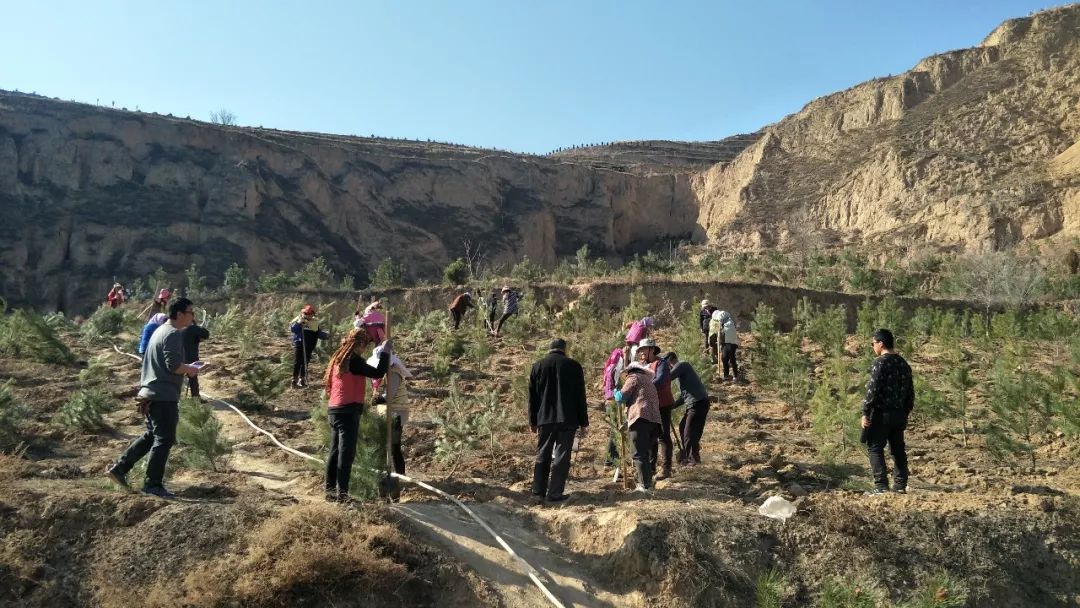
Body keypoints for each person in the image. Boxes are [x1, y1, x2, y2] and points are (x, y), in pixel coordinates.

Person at [106, 298, 204, 498]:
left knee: (152, 435)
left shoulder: (159, 331)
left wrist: (189, 367)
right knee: (164, 439)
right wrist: (192, 369)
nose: (193, 317)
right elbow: (174, 366)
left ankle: (119, 469)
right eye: (191, 312)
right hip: (162, 396)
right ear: (179, 314)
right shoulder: (174, 334)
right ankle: (152, 484)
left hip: (151, 393)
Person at [323, 329, 391, 502]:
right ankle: (342, 496)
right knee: (346, 454)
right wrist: (385, 353)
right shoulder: (352, 360)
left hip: (334, 409)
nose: (364, 349)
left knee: (334, 452)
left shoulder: (337, 359)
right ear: (359, 344)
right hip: (348, 411)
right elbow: (377, 373)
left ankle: (330, 492)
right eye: (364, 345)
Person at [528, 338, 589, 503]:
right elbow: (580, 396)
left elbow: (533, 398)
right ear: (565, 349)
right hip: (568, 418)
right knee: (562, 455)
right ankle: (555, 493)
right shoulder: (574, 366)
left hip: (545, 418)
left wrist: (532, 420)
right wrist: (584, 422)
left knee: (543, 454)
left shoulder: (538, 366)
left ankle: (537, 492)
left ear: (549, 349)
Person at [861, 329, 914, 494]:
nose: (872, 347)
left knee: (875, 448)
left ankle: (881, 486)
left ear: (881, 343)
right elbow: (910, 392)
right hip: (899, 414)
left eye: (873, 343)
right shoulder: (903, 363)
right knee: (898, 449)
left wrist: (865, 412)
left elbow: (873, 389)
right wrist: (904, 412)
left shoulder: (880, 362)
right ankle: (900, 486)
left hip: (881, 414)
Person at [372, 342, 411, 493]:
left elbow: (390, 395)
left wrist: (377, 399)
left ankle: (401, 477)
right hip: (389, 411)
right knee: (388, 445)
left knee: (394, 446)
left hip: (396, 412)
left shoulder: (393, 372)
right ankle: (389, 475)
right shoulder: (387, 372)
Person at [618, 359, 661, 491]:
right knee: (644, 454)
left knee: (638, 454)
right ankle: (648, 483)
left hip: (641, 419)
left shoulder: (633, 377)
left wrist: (616, 393)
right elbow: (640, 400)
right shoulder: (648, 382)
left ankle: (644, 486)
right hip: (655, 422)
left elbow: (622, 396)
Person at [664, 353, 710, 466]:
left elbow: (667, 378)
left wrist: (658, 377)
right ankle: (691, 456)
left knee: (688, 432)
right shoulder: (682, 375)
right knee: (684, 427)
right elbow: (684, 396)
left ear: (671, 360)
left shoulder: (682, 365)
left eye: (666, 365)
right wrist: (671, 406)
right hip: (696, 403)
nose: (667, 368)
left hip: (697, 403)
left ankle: (693, 460)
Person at [638, 338, 675, 480]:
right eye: (640, 350)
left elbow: (660, 381)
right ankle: (651, 468)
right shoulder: (643, 366)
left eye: (643, 350)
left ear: (652, 350)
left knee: (664, 435)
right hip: (650, 405)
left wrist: (643, 386)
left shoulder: (661, 364)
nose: (641, 353)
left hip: (663, 404)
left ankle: (666, 468)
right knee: (651, 436)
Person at [290, 304, 329, 388]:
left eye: (309, 314)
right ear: (303, 313)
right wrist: (299, 323)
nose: (308, 316)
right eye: (306, 314)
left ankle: (302, 379)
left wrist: (326, 335)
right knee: (297, 362)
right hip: (299, 344)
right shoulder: (299, 320)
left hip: (309, 346)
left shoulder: (314, 323)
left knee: (305, 362)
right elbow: (293, 329)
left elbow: (318, 333)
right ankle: (294, 380)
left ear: (312, 315)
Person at [181, 317, 210, 400]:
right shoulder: (192, 328)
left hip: (180, 356)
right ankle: (196, 399)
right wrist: (199, 328)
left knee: (179, 379)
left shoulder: (180, 329)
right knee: (193, 378)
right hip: (190, 357)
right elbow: (206, 334)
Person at [718, 310, 740, 382]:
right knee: (724, 359)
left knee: (732, 359)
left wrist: (721, 331)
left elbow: (726, 332)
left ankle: (735, 375)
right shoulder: (723, 323)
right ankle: (726, 375)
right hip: (725, 344)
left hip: (731, 344)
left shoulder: (730, 323)